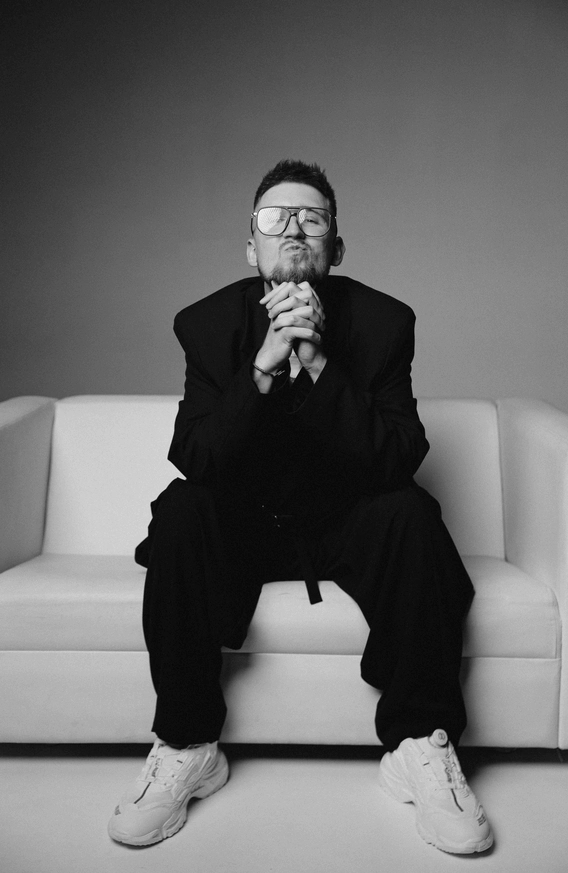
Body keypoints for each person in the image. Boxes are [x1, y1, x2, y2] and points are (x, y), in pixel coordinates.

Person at [108, 160, 493, 855]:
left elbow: (397, 455)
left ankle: (419, 743)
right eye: (274, 219)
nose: (292, 230)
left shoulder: (384, 323)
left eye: (311, 220)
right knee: (184, 508)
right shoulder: (205, 324)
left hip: (346, 519)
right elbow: (197, 456)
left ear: (335, 248)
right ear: (249, 247)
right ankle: (187, 743)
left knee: (412, 512)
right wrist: (263, 365)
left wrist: (317, 364)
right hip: (247, 522)